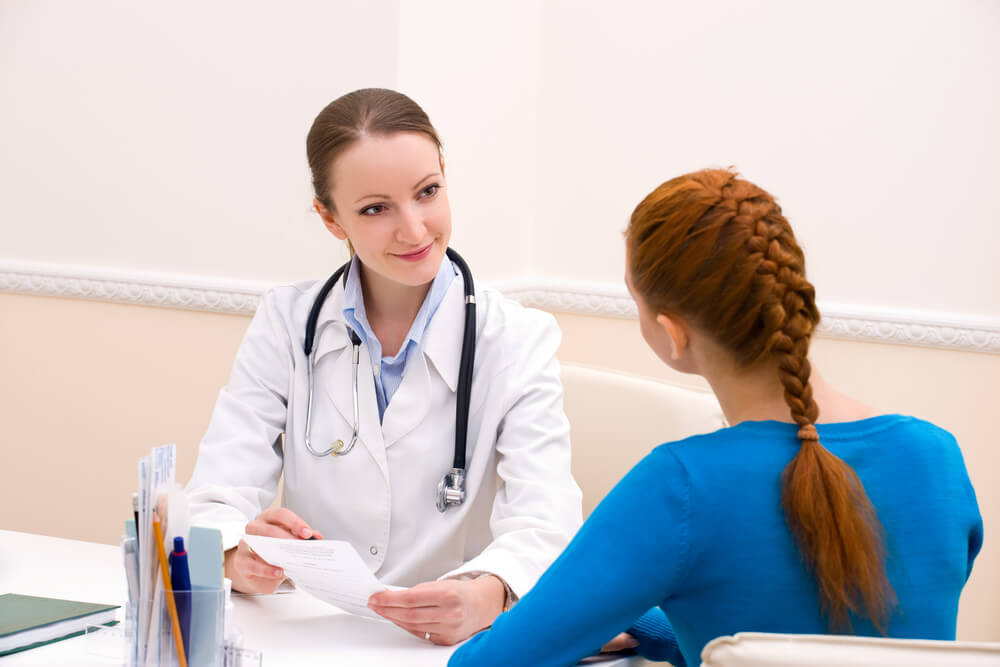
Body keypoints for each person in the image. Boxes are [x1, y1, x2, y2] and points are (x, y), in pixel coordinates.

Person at [449, 169, 983, 666]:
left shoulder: (681, 485)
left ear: (672, 332)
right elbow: (829, 633)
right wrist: (654, 626)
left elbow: (492, 662)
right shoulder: (937, 456)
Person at [185, 88, 582, 646]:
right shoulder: (285, 323)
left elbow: (544, 525)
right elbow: (213, 498)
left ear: (444, 174)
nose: (415, 230)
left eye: (428, 192)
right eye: (375, 209)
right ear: (330, 219)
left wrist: (489, 591)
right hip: (308, 635)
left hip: (453, 646)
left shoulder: (516, 338)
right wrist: (235, 552)